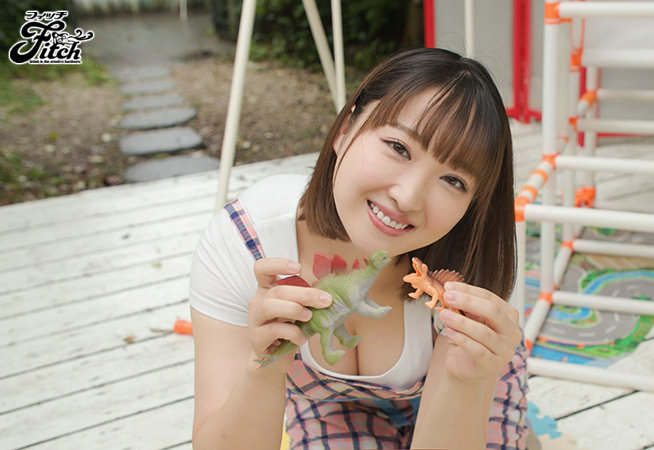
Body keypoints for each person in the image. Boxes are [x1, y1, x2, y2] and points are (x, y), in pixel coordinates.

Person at [189, 47, 529, 449]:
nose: (407, 197)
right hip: (331, 405)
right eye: (398, 147)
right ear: (345, 129)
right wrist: (265, 365)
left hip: (467, 395)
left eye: (453, 180)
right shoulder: (249, 240)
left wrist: (462, 380)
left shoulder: (468, 268)